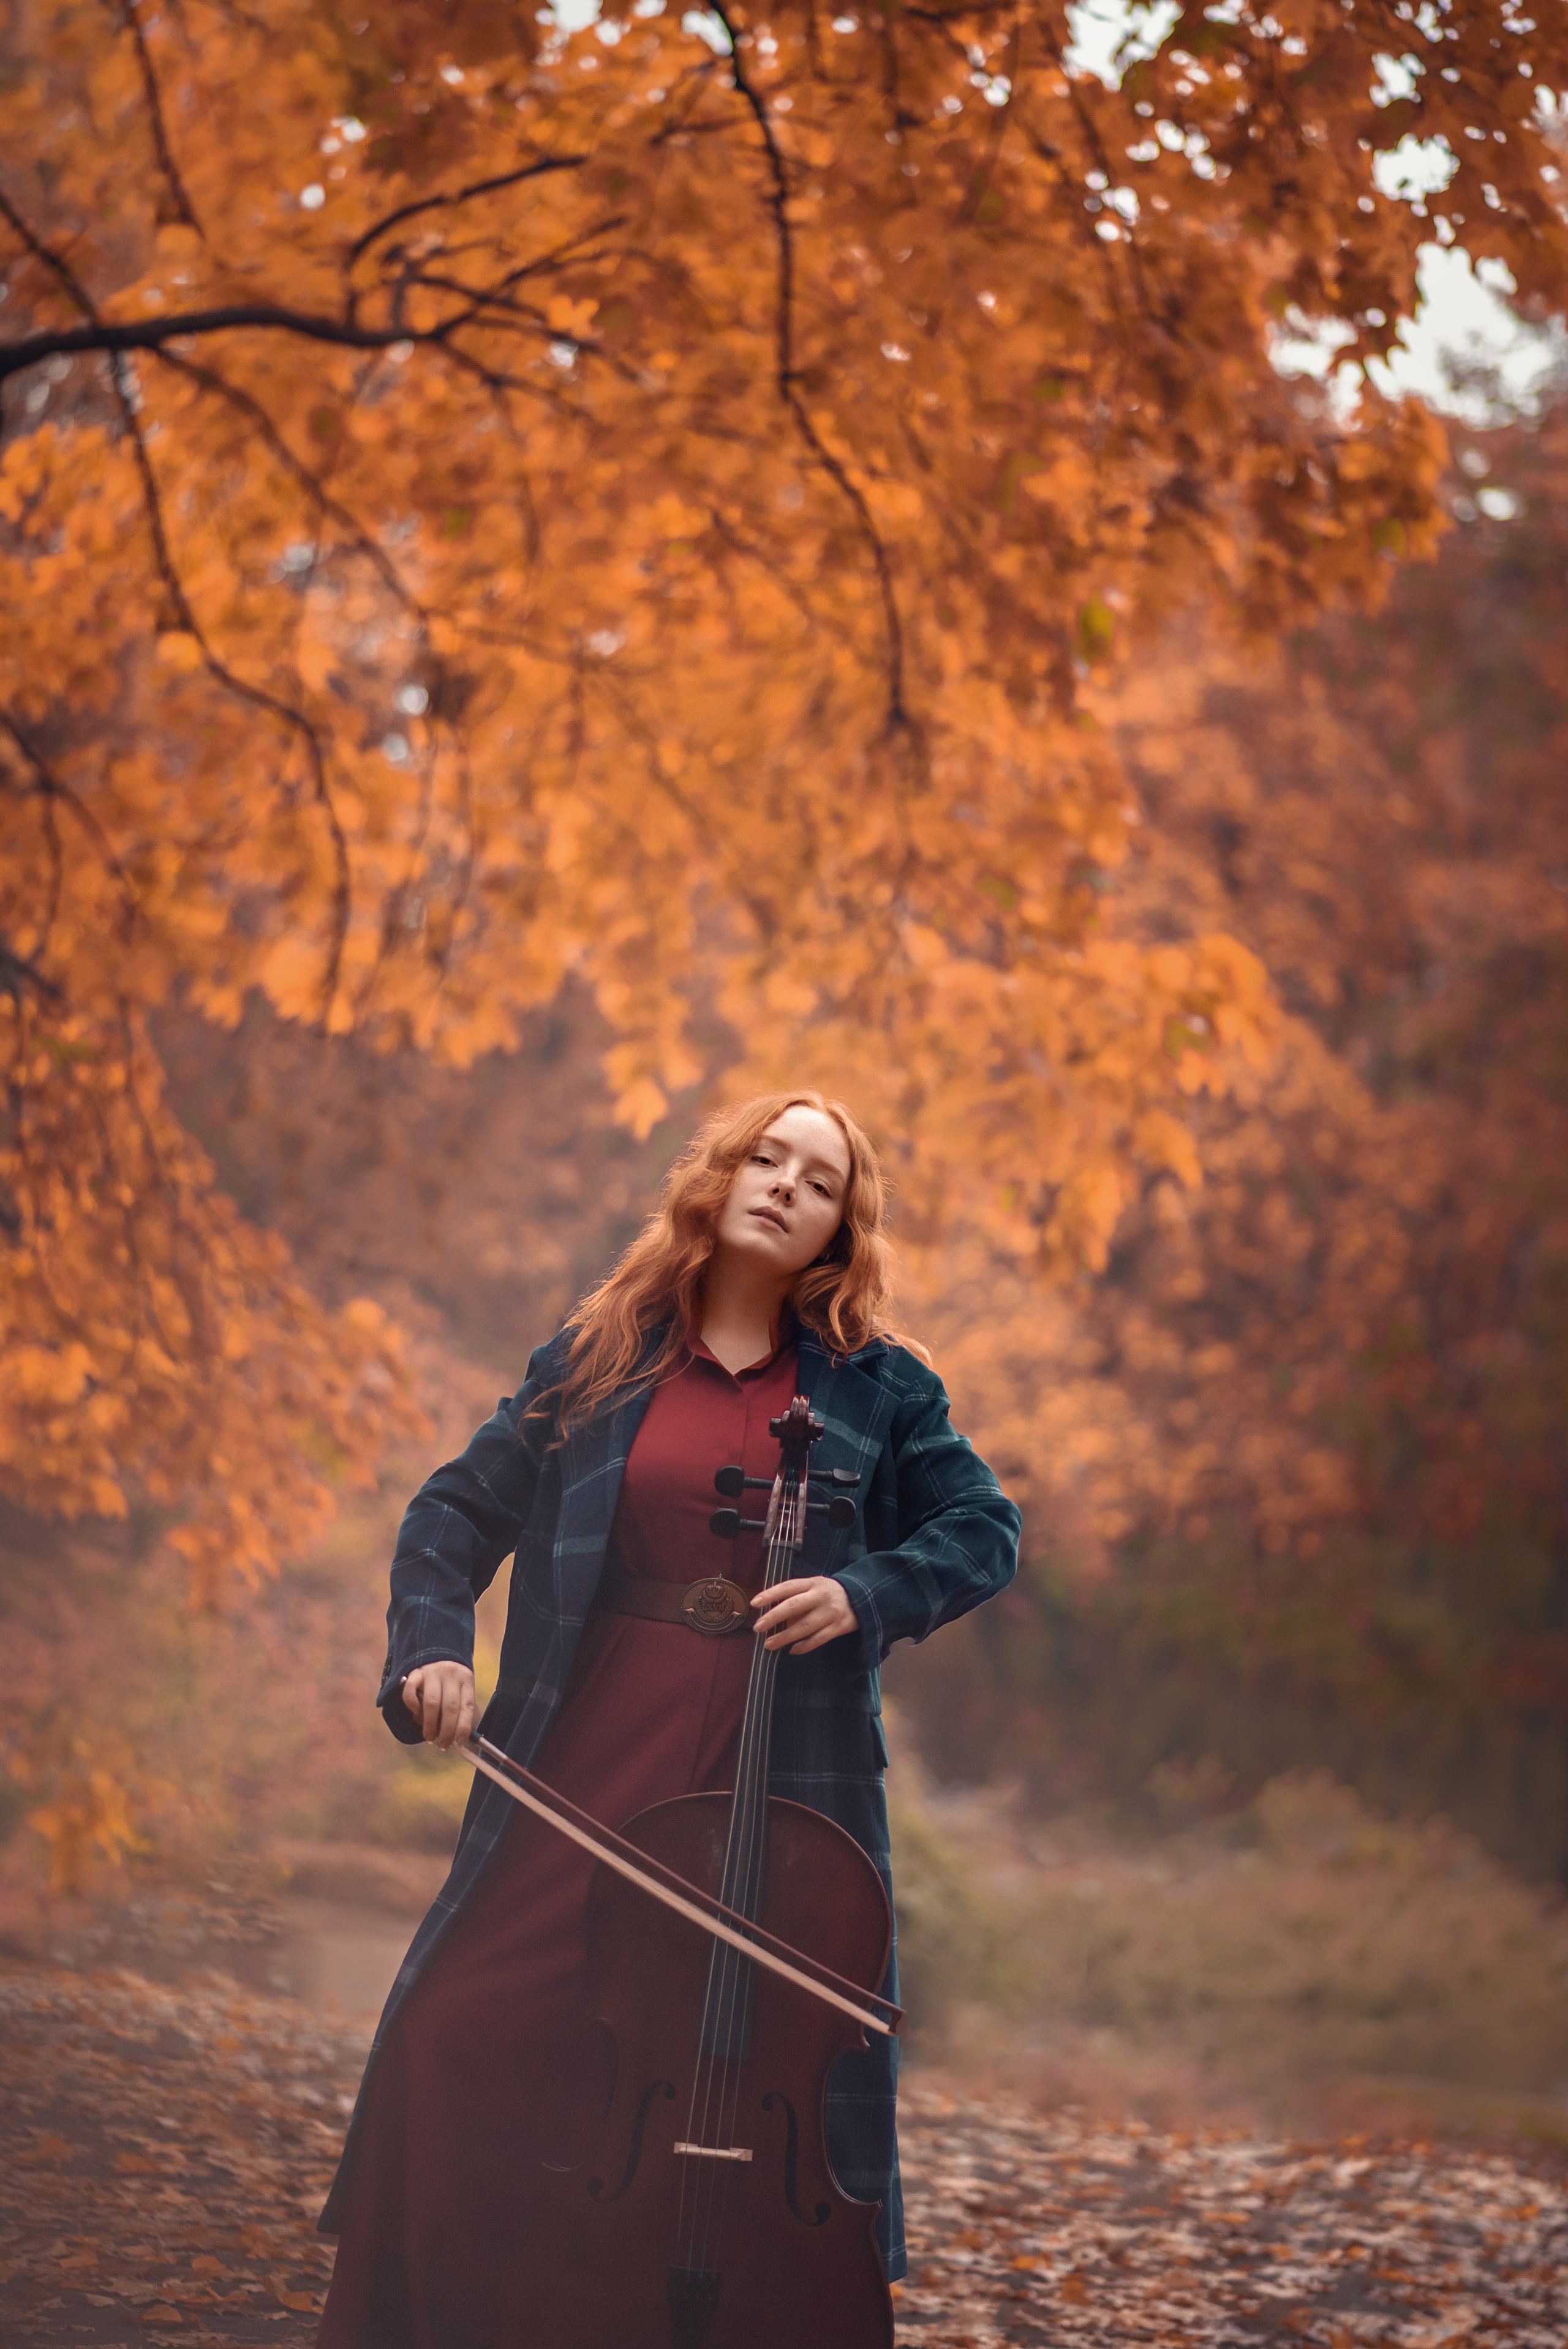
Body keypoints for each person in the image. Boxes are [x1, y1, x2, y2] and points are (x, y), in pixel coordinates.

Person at [316, 1091, 1020, 2348]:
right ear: (720, 1173)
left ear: (836, 1234)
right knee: (454, 2026)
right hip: (592, 1754)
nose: (785, 1185)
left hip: (781, 1775)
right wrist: (430, 1648)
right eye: (768, 1155)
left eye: (819, 1180)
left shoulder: (880, 1390)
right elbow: (451, 1513)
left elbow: (982, 1530)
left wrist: (867, 1591)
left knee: (740, 2079)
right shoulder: (606, 1348)